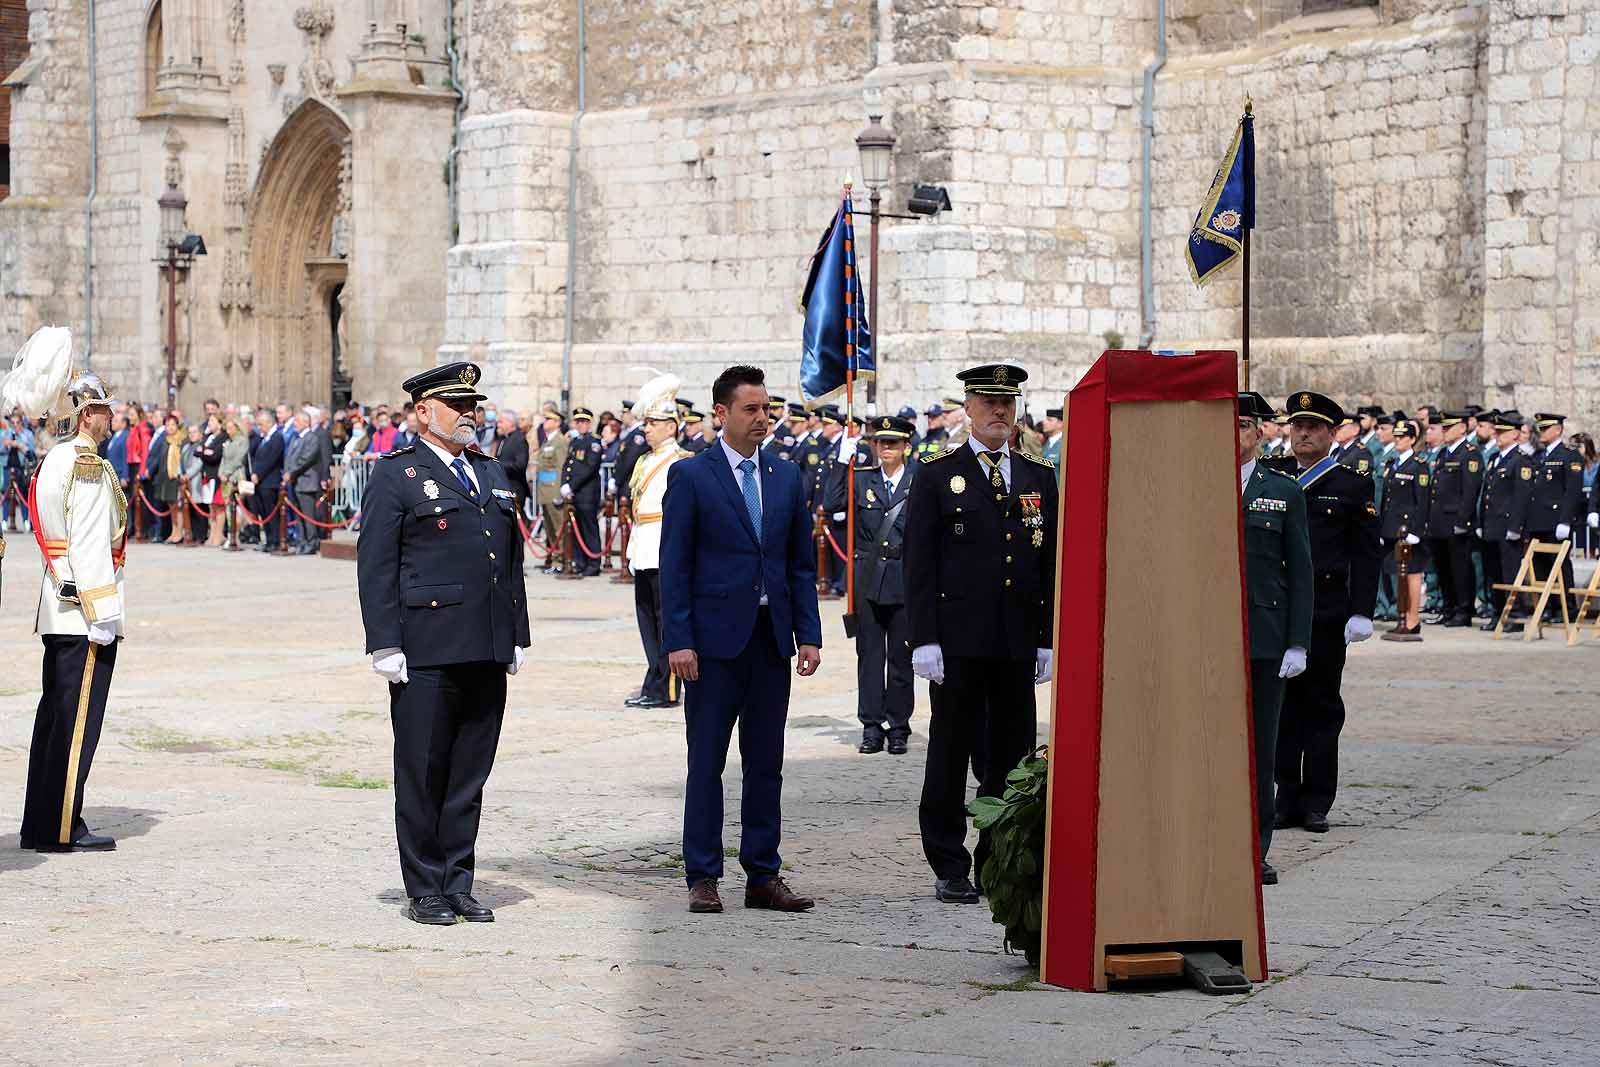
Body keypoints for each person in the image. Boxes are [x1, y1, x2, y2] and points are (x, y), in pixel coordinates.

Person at [357, 361, 529, 925]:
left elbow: (509, 560)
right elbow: (377, 565)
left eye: (473, 405)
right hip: (426, 646)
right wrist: (384, 643)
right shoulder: (397, 475)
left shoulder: (491, 470)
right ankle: (425, 886)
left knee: (468, 774)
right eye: (457, 406)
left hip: (485, 644)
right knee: (424, 770)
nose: (469, 415)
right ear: (423, 412)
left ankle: (459, 881)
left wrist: (517, 631)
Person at [659, 364, 822, 916]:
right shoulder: (692, 477)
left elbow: (800, 564)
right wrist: (678, 640)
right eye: (751, 409)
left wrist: (808, 634)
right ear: (721, 414)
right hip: (710, 647)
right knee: (707, 761)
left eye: (767, 408)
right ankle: (703, 875)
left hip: (769, 641)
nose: (763, 419)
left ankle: (762, 874)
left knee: (765, 762)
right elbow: (674, 566)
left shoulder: (784, 475)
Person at [905, 363, 1058, 904]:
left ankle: (1000, 854)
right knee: (950, 749)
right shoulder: (935, 471)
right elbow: (919, 563)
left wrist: (1046, 635)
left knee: (1012, 756)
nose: (999, 412)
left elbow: (1048, 564)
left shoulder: (1039, 475)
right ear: (968, 407)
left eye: (1008, 403)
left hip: (1015, 641)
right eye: (989, 402)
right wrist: (923, 638)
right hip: (958, 641)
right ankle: (949, 859)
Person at [12, 339, 127, 852]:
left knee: (54, 721)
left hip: (57, 609)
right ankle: (63, 826)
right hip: (84, 613)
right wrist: (103, 611)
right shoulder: (87, 465)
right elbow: (87, 542)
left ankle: (40, 824)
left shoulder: (53, 459)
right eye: (104, 409)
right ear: (86, 414)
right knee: (76, 725)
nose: (110, 417)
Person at [1270, 391, 1381, 834]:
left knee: (1320, 705)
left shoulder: (1350, 484)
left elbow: (1366, 553)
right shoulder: (1274, 476)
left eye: (1313, 427)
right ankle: (1284, 795)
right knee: (1282, 708)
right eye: (1297, 426)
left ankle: (1317, 799)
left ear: (1332, 434)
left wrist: (1362, 610)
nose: (1303, 434)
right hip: (1280, 610)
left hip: (1327, 609)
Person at [1236, 392, 1312, 886]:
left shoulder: (1282, 491)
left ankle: (1255, 846)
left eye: (1243, 424)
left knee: (1259, 748)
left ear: (1260, 432)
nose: (1233, 433)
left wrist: (1297, 642)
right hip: (1208, 636)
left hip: (1264, 636)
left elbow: (1301, 570)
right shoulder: (1196, 484)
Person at [830, 415, 919, 755]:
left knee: (900, 657)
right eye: (881, 442)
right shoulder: (861, 479)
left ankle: (898, 727)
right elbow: (832, 502)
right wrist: (841, 461)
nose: (885, 448)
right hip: (867, 578)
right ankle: (871, 726)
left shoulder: (918, 481)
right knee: (869, 657)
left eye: (893, 443)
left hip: (904, 577)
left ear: (906, 447)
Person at [623, 374, 692, 709]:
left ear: (671, 426)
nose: (646, 429)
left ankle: (668, 686)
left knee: (667, 620)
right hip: (644, 544)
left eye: (653, 423)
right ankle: (654, 678)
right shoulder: (644, 459)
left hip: (665, 546)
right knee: (646, 617)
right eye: (646, 423)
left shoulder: (680, 461)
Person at [1421, 411, 1482, 628]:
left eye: (1448, 428)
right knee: (1443, 568)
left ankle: (1463, 610)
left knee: (1460, 569)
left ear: (1463, 428)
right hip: (1438, 522)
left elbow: (1469, 491)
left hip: (1456, 521)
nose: (1444, 432)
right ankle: (1448, 608)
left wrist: (1463, 520)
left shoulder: (1469, 454)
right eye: (1443, 428)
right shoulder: (1443, 454)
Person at [1525, 413, 1585, 620]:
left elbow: (1573, 491)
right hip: (1537, 520)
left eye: (1545, 428)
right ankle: (1547, 606)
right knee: (1540, 565)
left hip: (1555, 520)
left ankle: (1566, 607)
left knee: (1559, 565)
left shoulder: (1569, 455)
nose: (1540, 433)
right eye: (1539, 429)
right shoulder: (1537, 456)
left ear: (1558, 430)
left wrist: (1565, 520)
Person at [1478, 411, 1532, 632]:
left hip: (1508, 526)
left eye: (1503, 432)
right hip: (1492, 525)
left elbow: (1522, 497)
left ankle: (1515, 614)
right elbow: (1487, 493)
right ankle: (1499, 612)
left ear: (1516, 434)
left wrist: (1516, 526)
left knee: (1510, 573)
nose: (1498, 436)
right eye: (1496, 431)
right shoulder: (1494, 459)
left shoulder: (1520, 461)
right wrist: (1481, 522)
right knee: (1494, 573)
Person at [1377, 417, 1430, 640]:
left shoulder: (1419, 466)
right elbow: (1386, 501)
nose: (1398, 440)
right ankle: (1402, 616)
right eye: (1396, 436)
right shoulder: (1392, 464)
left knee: (1412, 573)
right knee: (1399, 574)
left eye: (1402, 437)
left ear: (1412, 439)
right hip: (1392, 528)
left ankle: (1412, 618)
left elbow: (1423, 501)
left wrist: (1416, 531)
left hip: (1408, 529)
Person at [560, 407, 604, 578]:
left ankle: (593, 563)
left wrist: (572, 486)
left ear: (589, 423)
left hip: (586, 492)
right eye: (578, 422)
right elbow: (567, 465)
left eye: (584, 422)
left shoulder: (594, 442)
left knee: (588, 528)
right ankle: (580, 562)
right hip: (574, 494)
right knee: (576, 528)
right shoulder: (575, 442)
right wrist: (564, 483)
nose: (580, 425)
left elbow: (589, 468)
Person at [284, 411, 327, 555]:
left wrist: (292, 472)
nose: (294, 424)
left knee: (308, 515)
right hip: (296, 482)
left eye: (297, 421)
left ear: (306, 422)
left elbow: (306, 458)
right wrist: (287, 471)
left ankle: (311, 541)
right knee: (298, 515)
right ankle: (302, 540)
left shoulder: (311, 438)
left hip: (307, 482)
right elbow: (291, 457)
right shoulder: (296, 438)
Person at [531, 409, 570, 570]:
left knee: (558, 528)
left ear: (557, 423)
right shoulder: (548, 441)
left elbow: (560, 467)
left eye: (549, 419)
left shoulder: (559, 441)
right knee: (550, 529)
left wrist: (560, 492)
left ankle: (560, 561)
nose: (545, 422)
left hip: (553, 491)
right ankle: (555, 560)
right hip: (545, 491)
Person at [493, 411, 530, 515]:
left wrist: (498, 465)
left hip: (515, 488)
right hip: (503, 486)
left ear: (511, 423)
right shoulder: (503, 438)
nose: (498, 425)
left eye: (501, 422)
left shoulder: (519, 439)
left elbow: (520, 465)